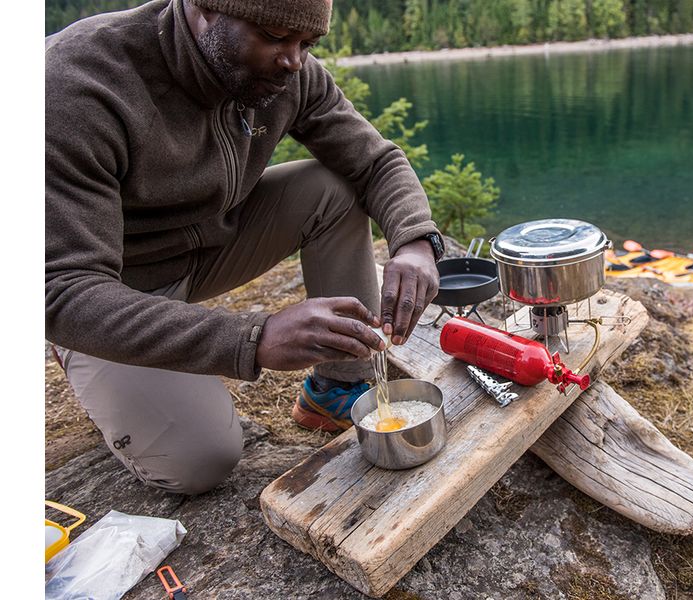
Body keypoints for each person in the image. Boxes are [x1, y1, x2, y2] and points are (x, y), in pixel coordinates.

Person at [45, 0, 445, 495]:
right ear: (203, 8)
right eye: (276, 36)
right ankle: (85, 356)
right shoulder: (77, 86)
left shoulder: (286, 72)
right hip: (108, 286)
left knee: (333, 187)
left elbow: (375, 162)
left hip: (208, 245)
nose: (293, 61)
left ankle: (337, 389)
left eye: (307, 44)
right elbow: (60, 290)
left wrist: (414, 241)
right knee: (199, 461)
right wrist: (253, 338)